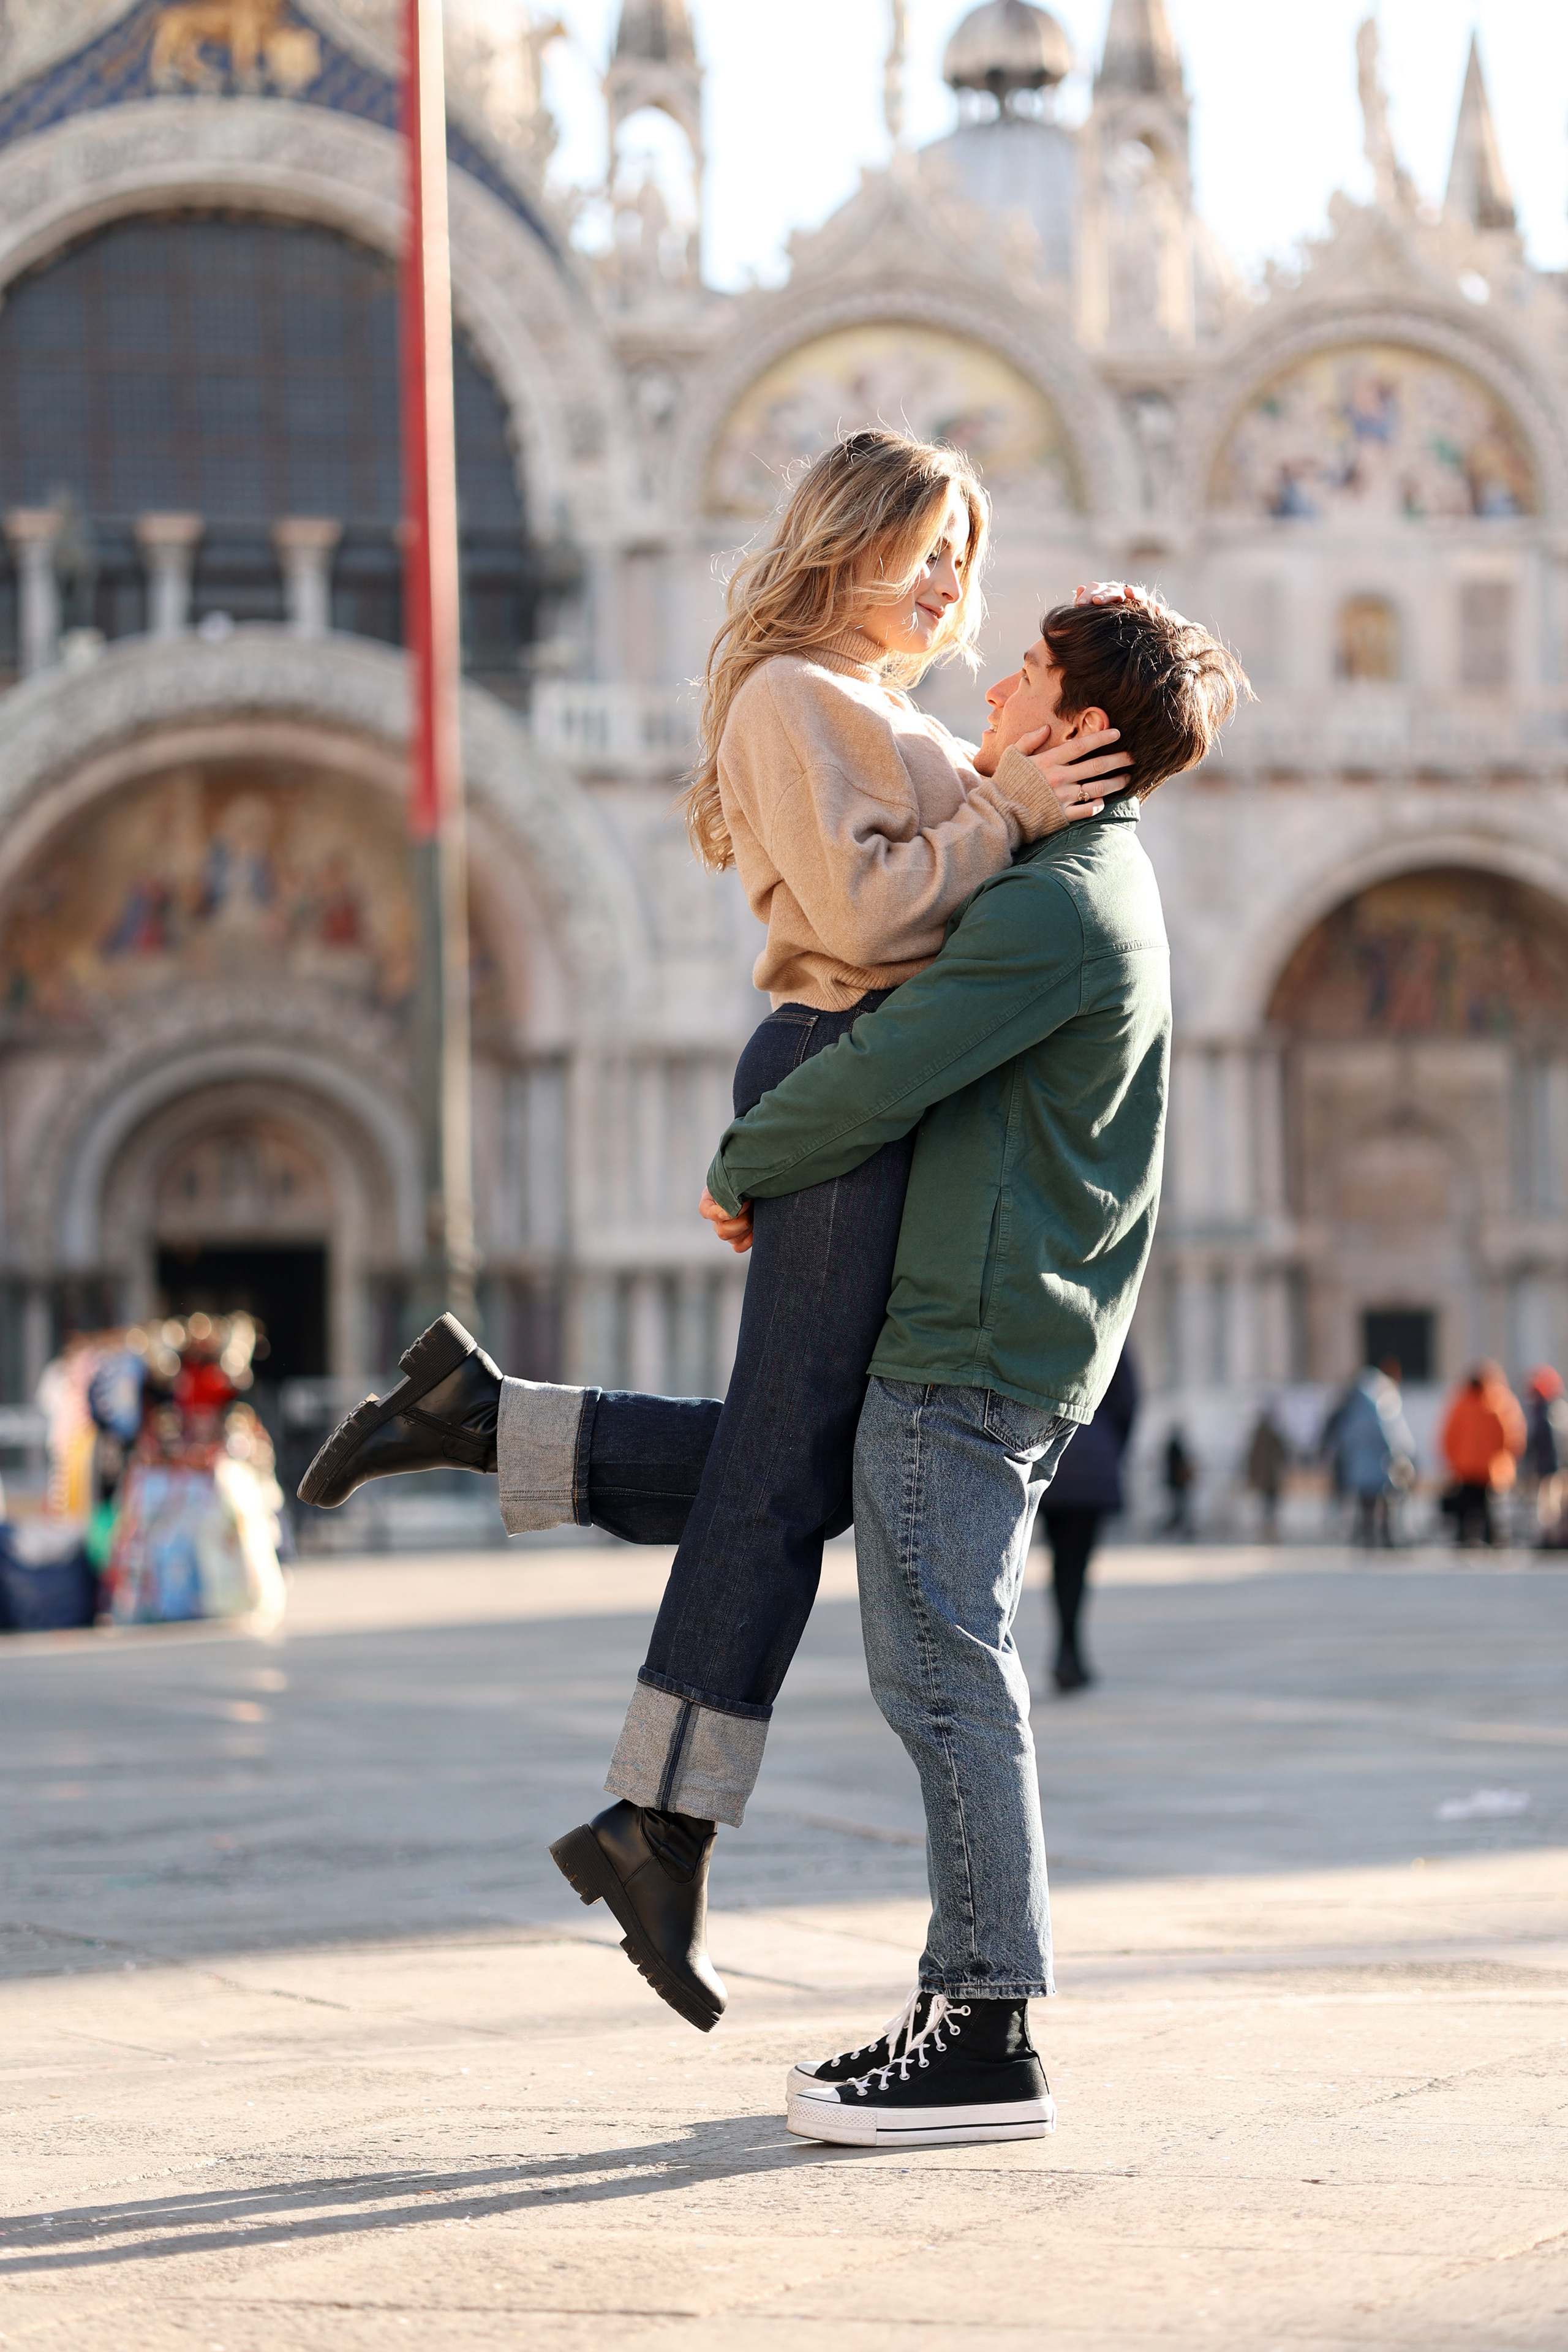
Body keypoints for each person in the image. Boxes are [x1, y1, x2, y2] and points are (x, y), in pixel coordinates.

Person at [302, 581, 1247, 2149]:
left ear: (1081, 726)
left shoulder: (1051, 905)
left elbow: (883, 1067)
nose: (995, 678)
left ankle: (986, 2025)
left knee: (942, 1674)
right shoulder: (1087, 879)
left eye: (1028, 669)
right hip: (979, 1322)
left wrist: (745, 1156)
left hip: (969, 1337)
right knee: (785, 1479)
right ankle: (483, 1422)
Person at [1036, 1346, 1138, 1691]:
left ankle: (1066, 1648)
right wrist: (1110, 1450)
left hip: (1051, 1460)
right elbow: (1129, 1401)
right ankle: (1071, 1650)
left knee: (1059, 1562)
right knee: (1078, 1563)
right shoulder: (1111, 1331)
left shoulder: (1049, 1322)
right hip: (1094, 1464)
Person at [1325, 1362, 1414, 1548]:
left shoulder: (1354, 1407)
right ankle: (1385, 1538)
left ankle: (1367, 1539)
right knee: (1385, 1504)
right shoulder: (1380, 1403)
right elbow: (1391, 1434)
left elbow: (1345, 1438)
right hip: (1380, 1467)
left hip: (1359, 1468)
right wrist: (1401, 1454)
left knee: (1366, 1506)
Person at [1441, 1362, 1525, 1547]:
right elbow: (1512, 1437)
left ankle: (1464, 1539)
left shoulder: (1461, 1403)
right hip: (1491, 1469)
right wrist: (1505, 1460)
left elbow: (1448, 1437)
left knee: (1466, 1507)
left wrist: (1454, 1462)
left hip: (1465, 1468)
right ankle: (1492, 1540)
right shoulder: (1501, 1402)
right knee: (1488, 1509)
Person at [1521, 1365, 1568, 1543]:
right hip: (1552, 1465)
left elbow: (1538, 1440)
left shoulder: (1544, 1411)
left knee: (1547, 1504)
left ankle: (1549, 1537)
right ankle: (1550, 1536)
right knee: (1549, 1504)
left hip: (1548, 1466)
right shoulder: (1557, 1408)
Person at [1244, 1404, 1290, 1540]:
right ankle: (1269, 1531)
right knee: (1270, 1506)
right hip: (1270, 1477)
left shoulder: (1257, 1436)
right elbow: (1283, 1452)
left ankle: (1267, 1531)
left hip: (1263, 1478)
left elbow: (1250, 1458)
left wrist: (1251, 1475)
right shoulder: (1271, 1435)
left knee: (1265, 1506)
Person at [1162, 1425, 1195, 1537]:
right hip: (1178, 1483)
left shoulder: (1173, 1448)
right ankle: (1174, 1528)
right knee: (1178, 1508)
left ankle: (1178, 1528)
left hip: (1177, 1483)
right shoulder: (1175, 1448)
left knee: (1179, 1508)